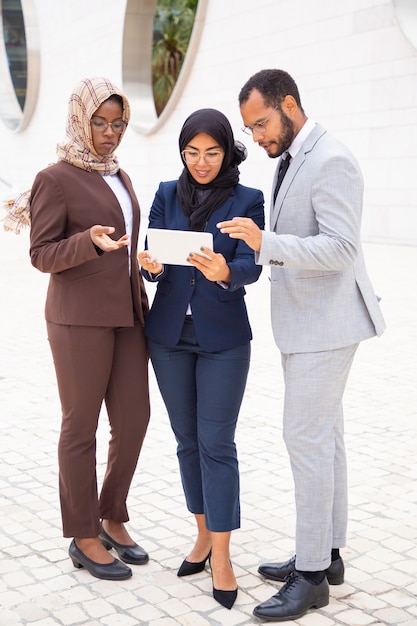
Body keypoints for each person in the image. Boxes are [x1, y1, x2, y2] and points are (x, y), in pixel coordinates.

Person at [217, 69, 386, 621]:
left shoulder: (332, 158)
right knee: (326, 438)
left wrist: (267, 244)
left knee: (305, 440)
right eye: (251, 127)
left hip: (327, 325)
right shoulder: (292, 157)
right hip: (310, 323)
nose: (259, 136)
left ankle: (311, 577)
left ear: (290, 105)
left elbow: (339, 248)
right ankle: (328, 554)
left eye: (263, 122)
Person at [139, 108, 265, 609]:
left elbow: (252, 266)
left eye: (212, 153)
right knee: (187, 442)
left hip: (223, 340)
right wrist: (148, 268)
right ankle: (201, 536)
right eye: (192, 153)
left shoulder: (248, 200)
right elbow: (154, 257)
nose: (201, 163)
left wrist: (223, 272)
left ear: (227, 151)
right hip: (168, 336)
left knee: (217, 442)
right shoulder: (166, 194)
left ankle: (224, 553)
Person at [27, 77, 150, 580]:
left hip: (127, 316)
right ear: (81, 119)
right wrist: (88, 243)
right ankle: (82, 534)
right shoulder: (54, 178)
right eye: (100, 122)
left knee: (135, 420)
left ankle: (111, 513)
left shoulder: (119, 176)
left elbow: (125, 242)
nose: (109, 132)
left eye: (118, 123)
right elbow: (40, 254)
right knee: (81, 428)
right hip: (78, 320)